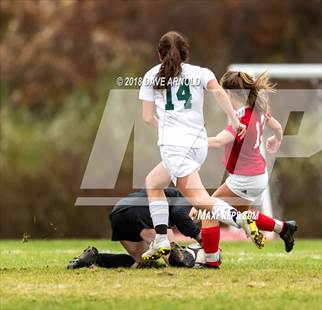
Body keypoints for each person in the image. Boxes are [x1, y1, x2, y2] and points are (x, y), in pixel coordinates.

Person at [139, 31, 263, 267]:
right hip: (198, 145)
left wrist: (164, 127)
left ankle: (241, 219)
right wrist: (236, 122)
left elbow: (147, 118)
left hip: (175, 147)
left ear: (159, 54)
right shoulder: (200, 73)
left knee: (200, 199)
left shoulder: (151, 76)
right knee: (154, 183)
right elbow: (217, 92)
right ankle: (162, 239)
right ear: (186, 52)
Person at [207, 71, 298, 253]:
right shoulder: (258, 108)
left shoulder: (240, 118)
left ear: (230, 94)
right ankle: (284, 228)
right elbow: (278, 127)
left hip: (244, 178)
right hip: (258, 175)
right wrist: (276, 139)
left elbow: (218, 141)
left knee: (206, 208)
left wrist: (185, 141)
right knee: (242, 214)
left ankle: (209, 255)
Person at [67, 188, 206, 269]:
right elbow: (180, 215)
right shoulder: (184, 198)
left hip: (118, 214)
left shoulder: (168, 195)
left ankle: (94, 258)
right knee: (174, 257)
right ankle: (201, 261)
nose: (194, 220)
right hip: (141, 210)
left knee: (144, 262)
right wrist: (201, 238)